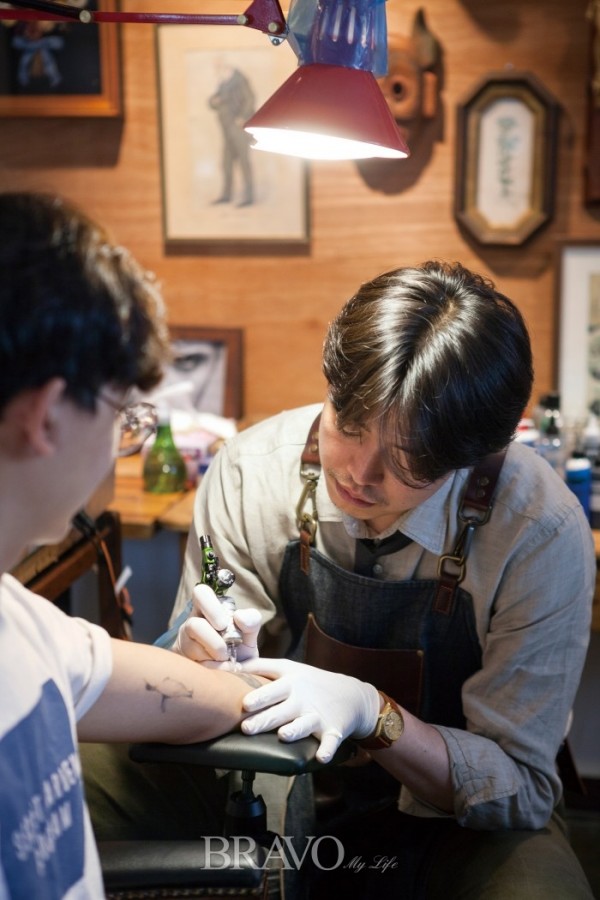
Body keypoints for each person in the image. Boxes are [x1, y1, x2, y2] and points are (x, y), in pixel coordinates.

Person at [171, 260, 595, 898]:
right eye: (348, 426)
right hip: (276, 770)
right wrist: (198, 666)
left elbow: (520, 787)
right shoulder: (247, 475)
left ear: (473, 453)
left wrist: (375, 715)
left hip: (456, 820)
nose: (359, 474)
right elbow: (198, 677)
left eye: (408, 459)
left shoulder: (538, 530)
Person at [0, 191, 265, 898]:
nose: (121, 445)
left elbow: (190, 691)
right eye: (123, 415)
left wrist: (245, 682)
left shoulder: (24, 624)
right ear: (48, 417)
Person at [209, 59, 256, 208]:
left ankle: (249, 197)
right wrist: (214, 101)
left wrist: (243, 117)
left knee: (244, 162)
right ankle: (226, 195)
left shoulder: (240, 80)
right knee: (226, 163)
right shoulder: (223, 83)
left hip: (238, 128)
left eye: (220, 67)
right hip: (226, 129)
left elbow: (250, 99)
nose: (217, 70)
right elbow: (212, 101)